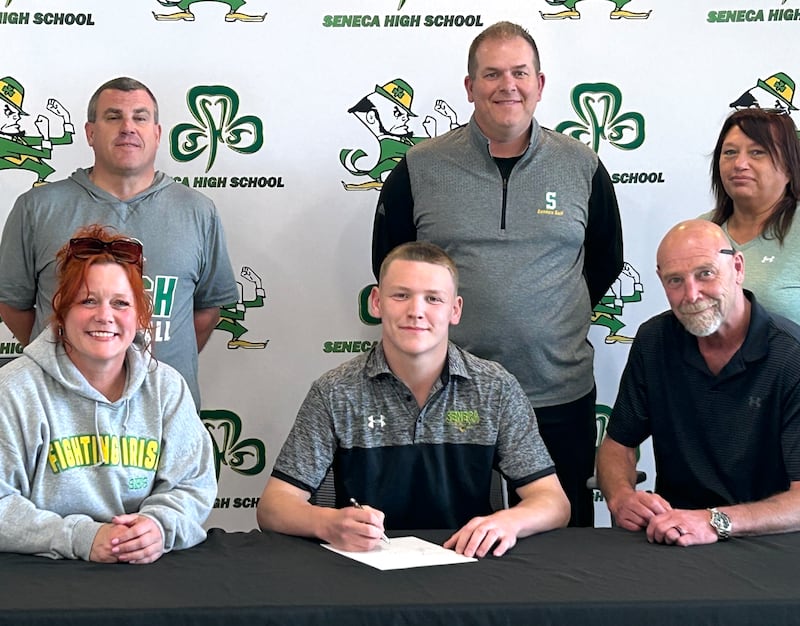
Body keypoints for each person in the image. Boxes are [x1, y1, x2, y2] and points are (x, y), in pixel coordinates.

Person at [371, 21, 623, 527]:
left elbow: (604, 262)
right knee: (450, 538)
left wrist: (543, 316)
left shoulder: (582, 166)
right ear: (469, 87)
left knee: (560, 544)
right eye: (492, 74)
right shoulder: (420, 168)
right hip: (449, 396)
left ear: (540, 84)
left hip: (557, 390)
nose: (508, 85)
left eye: (520, 73)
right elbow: (391, 266)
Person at [257, 242, 569, 557]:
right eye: (401, 295)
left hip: (468, 566)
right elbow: (274, 506)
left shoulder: (495, 388)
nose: (416, 311)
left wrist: (509, 522)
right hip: (362, 572)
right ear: (377, 302)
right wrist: (328, 523)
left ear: (455, 310)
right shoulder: (335, 391)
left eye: (433, 298)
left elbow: (553, 501)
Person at [0, 76, 238, 409]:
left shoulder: (198, 211)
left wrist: (151, 353)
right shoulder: (37, 208)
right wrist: (67, 349)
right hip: (58, 410)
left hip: (163, 414)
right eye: (113, 117)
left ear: (157, 134)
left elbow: (207, 310)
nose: (127, 127)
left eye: (140, 117)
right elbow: (13, 305)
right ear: (90, 133)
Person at [0, 224, 217, 563]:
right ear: (62, 310)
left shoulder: (167, 387)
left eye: (120, 303)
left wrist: (157, 527)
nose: (105, 316)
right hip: (40, 575)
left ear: (139, 315)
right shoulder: (14, 390)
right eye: (88, 300)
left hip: (144, 572)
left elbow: (192, 485)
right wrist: (82, 538)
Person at [597, 219, 800, 546]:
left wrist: (715, 521)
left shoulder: (791, 355)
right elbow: (617, 446)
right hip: (673, 536)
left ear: (737, 267)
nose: (691, 295)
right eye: (675, 281)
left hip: (768, 539)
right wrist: (622, 496)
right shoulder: (654, 341)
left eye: (705, 274)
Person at [702, 108, 800, 325]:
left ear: (790, 166)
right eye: (729, 152)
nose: (739, 164)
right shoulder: (700, 232)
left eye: (757, 152)